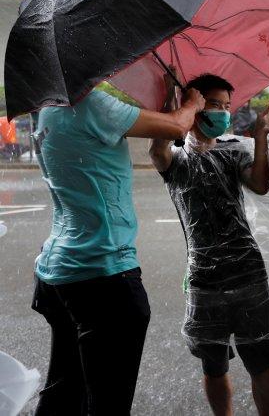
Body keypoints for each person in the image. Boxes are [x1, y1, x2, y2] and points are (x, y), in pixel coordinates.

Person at [30, 84, 205, 415]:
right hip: (104, 274)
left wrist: (167, 105)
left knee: (65, 393)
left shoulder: (48, 109)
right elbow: (177, 127)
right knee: (108, 403)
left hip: (59, 271)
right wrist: (193, 103)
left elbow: (159, 131)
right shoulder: (92, 104)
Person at [149, 73, 269, 416]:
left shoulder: (233, 150)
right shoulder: (176, 158)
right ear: (195, 106)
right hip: (204, 283)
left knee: (261, 362)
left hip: (247, 275)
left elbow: (261, 184)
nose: (223, 112)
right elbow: (157, 150)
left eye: (227, 106)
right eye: (214, 104)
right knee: (214, 366)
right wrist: (171, 106)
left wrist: (262, 135)